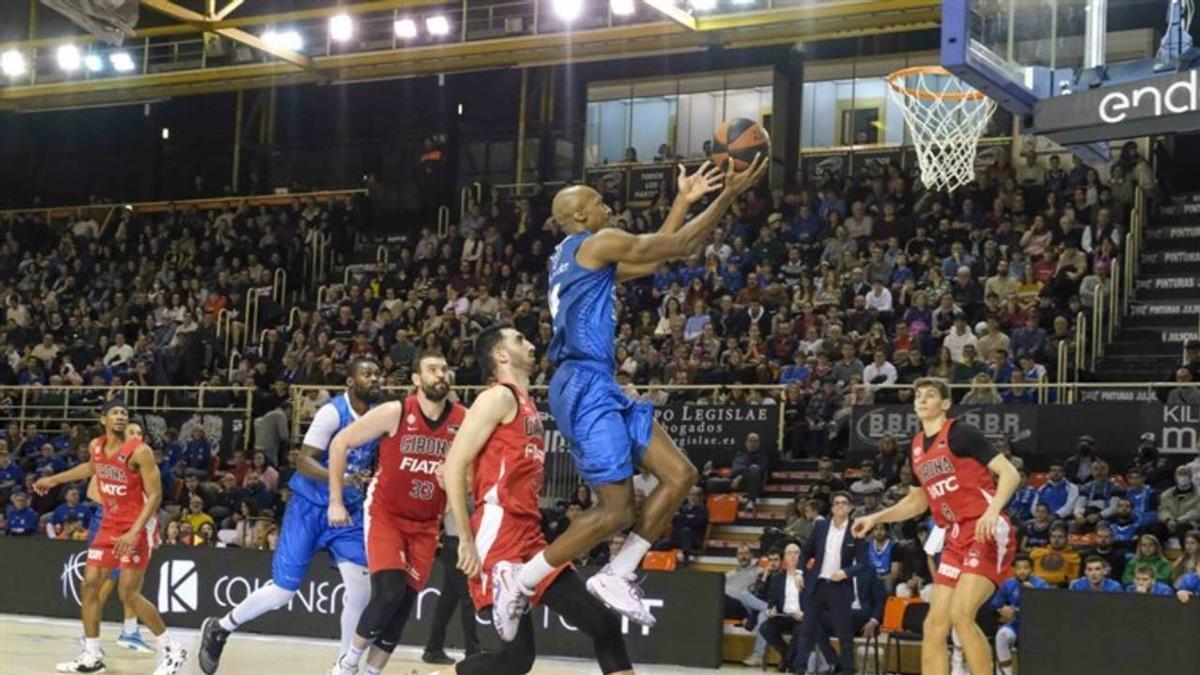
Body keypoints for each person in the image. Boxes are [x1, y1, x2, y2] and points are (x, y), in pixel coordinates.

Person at [505, 156, 766, 635]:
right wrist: (729, 194)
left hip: (599, 382)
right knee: (616, 510)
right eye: (600, 203)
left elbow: (652, 258)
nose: (609, 208)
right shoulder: (597, 241)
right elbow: (683, 245)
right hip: (582, 384)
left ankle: (619, 572)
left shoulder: (571, 255)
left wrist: (684, 201)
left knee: (680, 474)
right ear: (581, 216)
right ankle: (521, 580)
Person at [441, 325, 633, 674]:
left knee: (602, 624)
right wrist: (465, 541)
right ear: (500, 355)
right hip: (498, 533)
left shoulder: (528, 404)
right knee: (517, 661)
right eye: (519, 339)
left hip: (530, 533)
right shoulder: (497, 397)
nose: (530, 343)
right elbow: (452, 464)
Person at [198, 358, 382, 675]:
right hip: (309, 508)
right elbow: (304, 462)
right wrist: (339, 478)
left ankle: (344, 666)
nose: (376, 379)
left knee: (361, 591)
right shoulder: (332, 412)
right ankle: (221, 626)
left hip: (348, 511)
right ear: (351, 382)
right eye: (367, 374)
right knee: (283, 592)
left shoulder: (379, 417)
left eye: (378, 374)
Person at [851, 377, 1020, 675]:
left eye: (930, 395)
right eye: (918, 395)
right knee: (934, 625)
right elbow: (917, 503)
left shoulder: (960, 433)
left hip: (985, 528)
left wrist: (992, 512)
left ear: (944, 403)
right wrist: (875, 517)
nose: (922, 399)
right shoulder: (916, 447)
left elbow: (1009, 474)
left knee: (962, 614)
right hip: (954, 534)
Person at [325, 351, 467, 675]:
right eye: (432, 369)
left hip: (427, 523)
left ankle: (373, 671)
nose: (440, 374)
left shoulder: (464, 420)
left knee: (403, 606)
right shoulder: (396, 411)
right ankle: (347, 665)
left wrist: (462, 480)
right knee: (389, 592)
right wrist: (335, 499)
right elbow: (339, 443)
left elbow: (475, 470)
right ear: (416, 379)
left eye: (444, 368)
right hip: (386, 515)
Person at [33, 400, 187, 674]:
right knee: (90, 586)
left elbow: (155, 496)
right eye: (115, 412)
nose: (120, 416)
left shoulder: (140, 451)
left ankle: (172, 648)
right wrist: (54, 479)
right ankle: (91, 655)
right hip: (109, 522)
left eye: (124, 413)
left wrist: (134, 531)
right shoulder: (96, 446)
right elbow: (92, 468)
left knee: (128, 593)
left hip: (137, 525)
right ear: (103, 419)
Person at [790, 491, 869, 675]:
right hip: (817, 585)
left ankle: (847, 670)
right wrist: (800, 572)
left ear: (850, 508)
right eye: (836, 503)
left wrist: (846, 572)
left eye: (844, 503)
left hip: (839, 587)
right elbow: (806, 551)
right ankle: (799, 669)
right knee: (807, 630)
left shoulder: (855, 530)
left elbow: (865, 564)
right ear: (832, 507)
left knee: (844, 633)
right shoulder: (820, 526)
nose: (840, 506)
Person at [991, 553, 1050, 675]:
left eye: (1026, 568)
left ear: (1032, 569)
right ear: (1013, 570)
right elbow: (995, 605)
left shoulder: (1041, 585)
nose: (1022, 571)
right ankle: (1007, 673)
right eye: (1018, 568)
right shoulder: (1009, 584)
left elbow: (1049, 608)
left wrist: (1033, 594)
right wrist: (1003, 610)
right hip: (1016, 625)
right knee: (1001, 635)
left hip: (1038, 626)